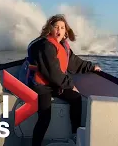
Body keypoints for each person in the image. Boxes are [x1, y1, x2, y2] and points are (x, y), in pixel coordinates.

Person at [22, 14, 101, 146]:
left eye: (62, 27)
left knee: (76, 98)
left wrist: (91, 67)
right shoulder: (46, 46)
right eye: (56, 27)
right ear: (50, 29)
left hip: (54, 84)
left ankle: (75, 135)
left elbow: (73, 62)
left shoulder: (62, 45)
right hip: (41, 86)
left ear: (66, 31)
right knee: (45, 116)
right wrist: (70, 84)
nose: (59, 30)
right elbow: (52, 73)